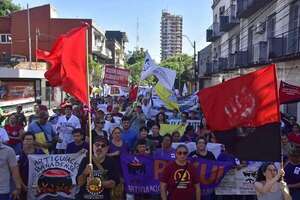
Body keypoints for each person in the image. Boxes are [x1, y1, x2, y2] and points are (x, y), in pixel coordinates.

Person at [18, 132, 43, 200]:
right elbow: (16, 173)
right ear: (23, 141)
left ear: (34, 141)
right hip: (24, 185)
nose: (28, 141)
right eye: (26, 139)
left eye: (30, 139)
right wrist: (22, 185)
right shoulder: (19, 155)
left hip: (38, 185)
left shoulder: (40, 152)